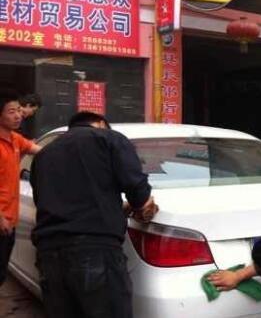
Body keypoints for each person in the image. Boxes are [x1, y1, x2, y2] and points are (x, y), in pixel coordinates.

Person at [30, 111, 158, 318]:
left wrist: (119, 207)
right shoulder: (108, 138)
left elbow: (48, 201)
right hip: (95, 250)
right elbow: (138, 191)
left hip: (49, 255)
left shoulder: (44, 154)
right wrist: (142, 205)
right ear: (100, 123)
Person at [0, 90, 41, 286]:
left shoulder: (16, 139)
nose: (18, 115)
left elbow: (40, 151)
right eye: (11, 111)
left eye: (18, 110)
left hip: (10, 220)